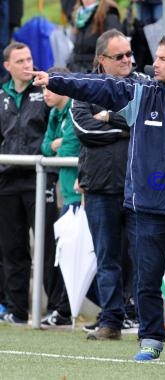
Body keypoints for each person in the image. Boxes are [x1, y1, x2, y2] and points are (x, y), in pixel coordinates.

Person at [31, 32, 165, 364]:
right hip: (149, 208)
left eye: (163, 59)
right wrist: (57, 81)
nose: (154, 64)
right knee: (147, 279)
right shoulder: (140, 94)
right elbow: (97, 87)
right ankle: (152, 339)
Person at [71, 29, 145, 340]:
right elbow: (84, 130)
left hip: (139, 187)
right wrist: (124, 126)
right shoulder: (85, 88)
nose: (128, 59)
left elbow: (147, 125)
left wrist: (108, 118)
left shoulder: (143, 85)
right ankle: (111, 320)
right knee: (107, 258)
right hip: (100, 188)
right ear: (102, 60)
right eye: (120, 56)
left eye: (129, 54)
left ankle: (147, 321)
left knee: (144, 257)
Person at [0, 42, 62, 324]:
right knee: (12, 247)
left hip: (39, 177)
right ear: (7, 66)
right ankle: (16, 309)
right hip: (7, 180)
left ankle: (57, 309)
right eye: (20, 60)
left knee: (49, 245)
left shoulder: (44, 90)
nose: (27, 64)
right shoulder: (1, 94)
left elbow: (55, 128)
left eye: (30, 58)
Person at [39, 66, 82, 327]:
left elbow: (68, 148)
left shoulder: (74, 109)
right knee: (66, 255)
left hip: (79, 196)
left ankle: (65, 310)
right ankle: (64, 310)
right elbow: (45, 146)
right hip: (67, 195)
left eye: (48, 86)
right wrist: (55, 145)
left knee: (74, 255)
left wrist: (57, 146)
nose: (44, 93)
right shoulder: (56, 113)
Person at [67, 0, 121, 73]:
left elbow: (115, 47)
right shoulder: (78, 14)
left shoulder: (109, 13)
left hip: (95, 73)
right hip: (75, 69)